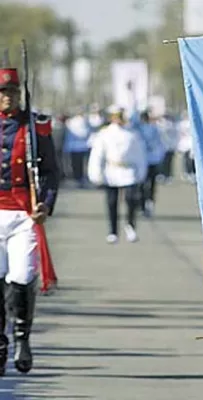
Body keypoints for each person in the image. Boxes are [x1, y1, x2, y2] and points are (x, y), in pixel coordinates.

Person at [0, 60, 59, 374]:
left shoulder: (35, 127)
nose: (7, 96)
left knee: (21, 277)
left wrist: (45, 205)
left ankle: (22, 339)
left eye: (11, 90)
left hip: (24, 213)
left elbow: (51, 171)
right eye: (2, 91)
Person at [87, 106, 147, 243]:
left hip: (128, 171)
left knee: (131, 200)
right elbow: (97, 155)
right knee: (112, 201)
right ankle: (113, 231)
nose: (118, 119)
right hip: (111, 170)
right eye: (115, 116)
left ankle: (130, 226)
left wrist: (141, 172)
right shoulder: (104, 134)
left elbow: (140, 155)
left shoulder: (132, 134)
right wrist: (96, 173)